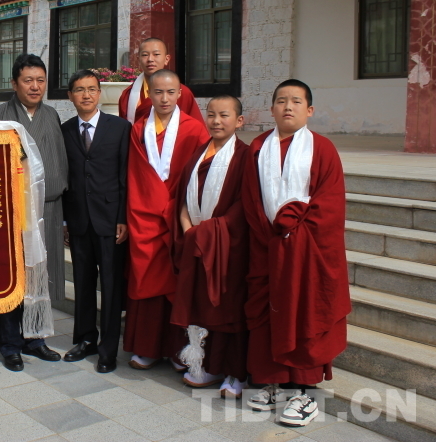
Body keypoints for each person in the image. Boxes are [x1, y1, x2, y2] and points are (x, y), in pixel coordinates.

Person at [242, 79, 350, 427]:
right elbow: (250, 200)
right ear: (272, 108)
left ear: (310, 110)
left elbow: (329, 206)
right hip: (267, 247)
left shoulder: (323, 149)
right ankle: (273, 384)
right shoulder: (258, 147)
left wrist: (292, 233)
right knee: (269, 317)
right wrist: (270, 236)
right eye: (281, 101)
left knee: (304, 314)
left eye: (296, 101)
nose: (288, 107)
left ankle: (304, 394)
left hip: (306, 252)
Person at [0, 54, 67, 371]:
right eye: (28, 80)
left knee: (39, 276)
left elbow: (60, 162)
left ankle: (36, 338)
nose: (35, 86)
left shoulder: (51, 115)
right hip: (12, 212)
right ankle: (10, 344)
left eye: (40, 80)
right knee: (13, 278)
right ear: (14, 83)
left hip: (48, 209)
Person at [124, 69, 209, 371]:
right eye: (158, 92)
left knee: (178, 282)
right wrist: (152, 207)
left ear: (180, 94)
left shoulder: (195, 129)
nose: (164, 98)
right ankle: (147, 348)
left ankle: (177, 349)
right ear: (150, 94)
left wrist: (179, 210)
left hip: (178, 214)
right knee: (146, 277)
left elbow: (200, 176)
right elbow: (135, 174)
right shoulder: (138, 128)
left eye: (170, 92)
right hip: (145, 214)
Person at [170, 95, 250, 398]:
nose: (216, 121)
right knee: (200, 307)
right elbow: (183, 199)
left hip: (228, 247)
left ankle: (234, 372)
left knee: (227, 309)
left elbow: (243, 206)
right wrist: (190, 232)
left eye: (224, 115)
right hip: (197, 244)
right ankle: (205, 364)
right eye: (211, 114)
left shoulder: (246, 157)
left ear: (239, 121)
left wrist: (206, 234)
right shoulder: (198, 155)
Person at [60, 70, 129, 373]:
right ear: (70, 96)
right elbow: (65, 177)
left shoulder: (120, 128)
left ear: (99, 93)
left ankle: (108, 349)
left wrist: (123, 217)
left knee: (111, 286)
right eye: (79, 90)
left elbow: (126, 175)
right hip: (79, 220)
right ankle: (85, 339)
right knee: (83, 283)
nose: (86, 95)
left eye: (91, 89)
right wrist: (65, 220)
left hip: (110, 221)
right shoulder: (64, 130)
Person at [117, 38, 203, 124]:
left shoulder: (183, 92)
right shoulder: (127, 95)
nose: (150, 59)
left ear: (166, 59)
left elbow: (196, 127)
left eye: (156, 54)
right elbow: (124, 129)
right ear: (138, 59)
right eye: (145, 55)